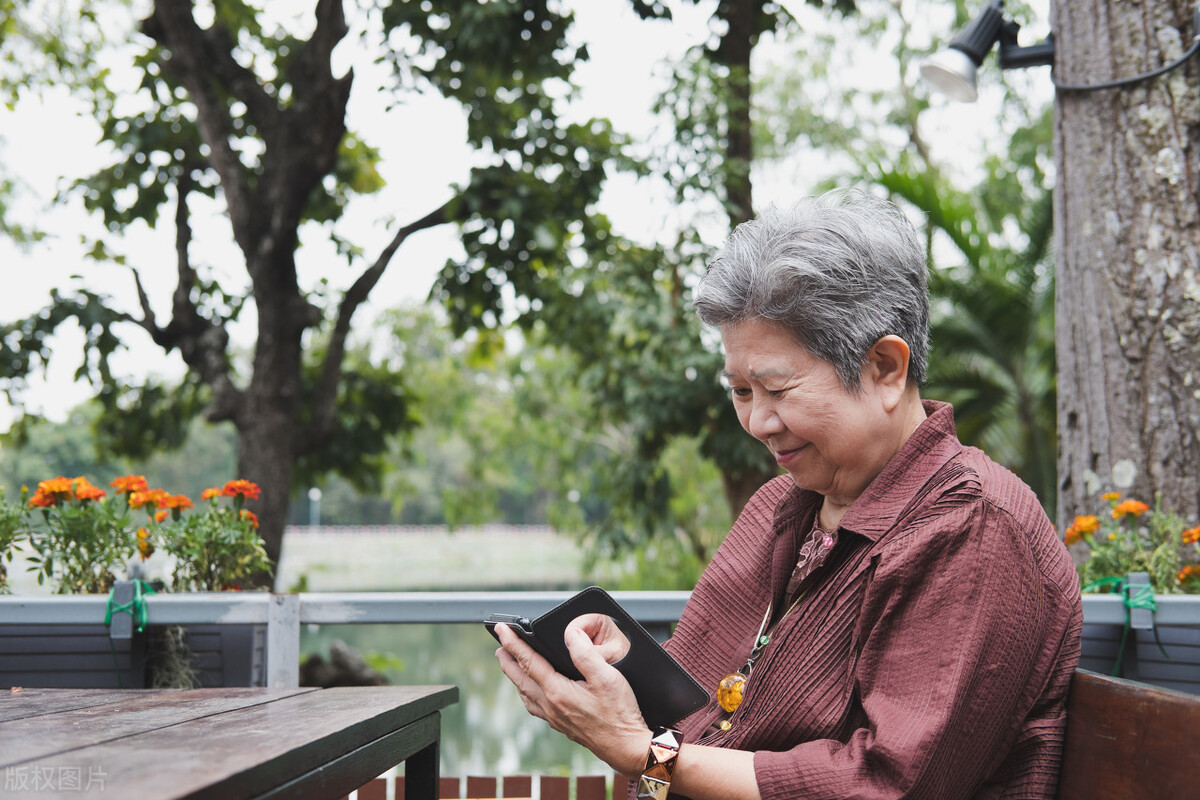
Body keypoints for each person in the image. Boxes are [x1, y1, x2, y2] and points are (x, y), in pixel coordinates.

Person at [493, 189, 1083, 800]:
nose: (758, 422)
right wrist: (624, 670)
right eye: (741, 391)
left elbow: (888, 787)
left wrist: (642, 754)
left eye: (776, 389)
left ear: (885, 368)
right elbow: (703, 712)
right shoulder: (778, 507)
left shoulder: (971, 528)